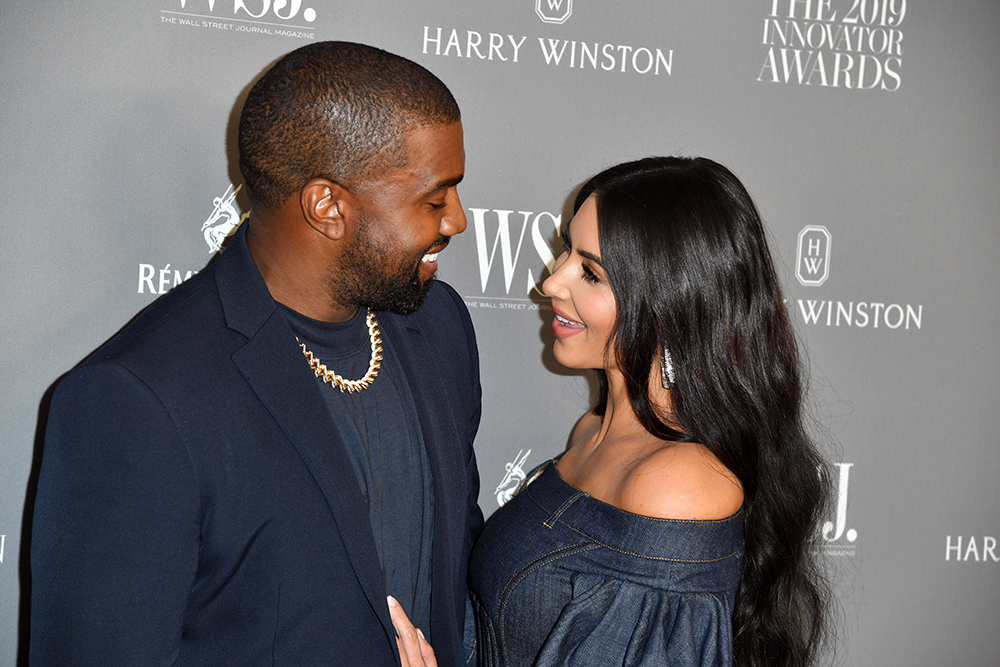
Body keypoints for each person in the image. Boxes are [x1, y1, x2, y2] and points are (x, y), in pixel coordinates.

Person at [31, 41, 482, 666]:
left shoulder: (439, 327)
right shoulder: (138, 399)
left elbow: (452, 567)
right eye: (435, 199)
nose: (457, 220)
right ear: (327, 206)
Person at [469, 157, 831, 667]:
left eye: (590, 272)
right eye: (566, 251)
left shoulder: (681, 484)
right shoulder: (590, 433)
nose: (551, 283)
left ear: (668, 302)